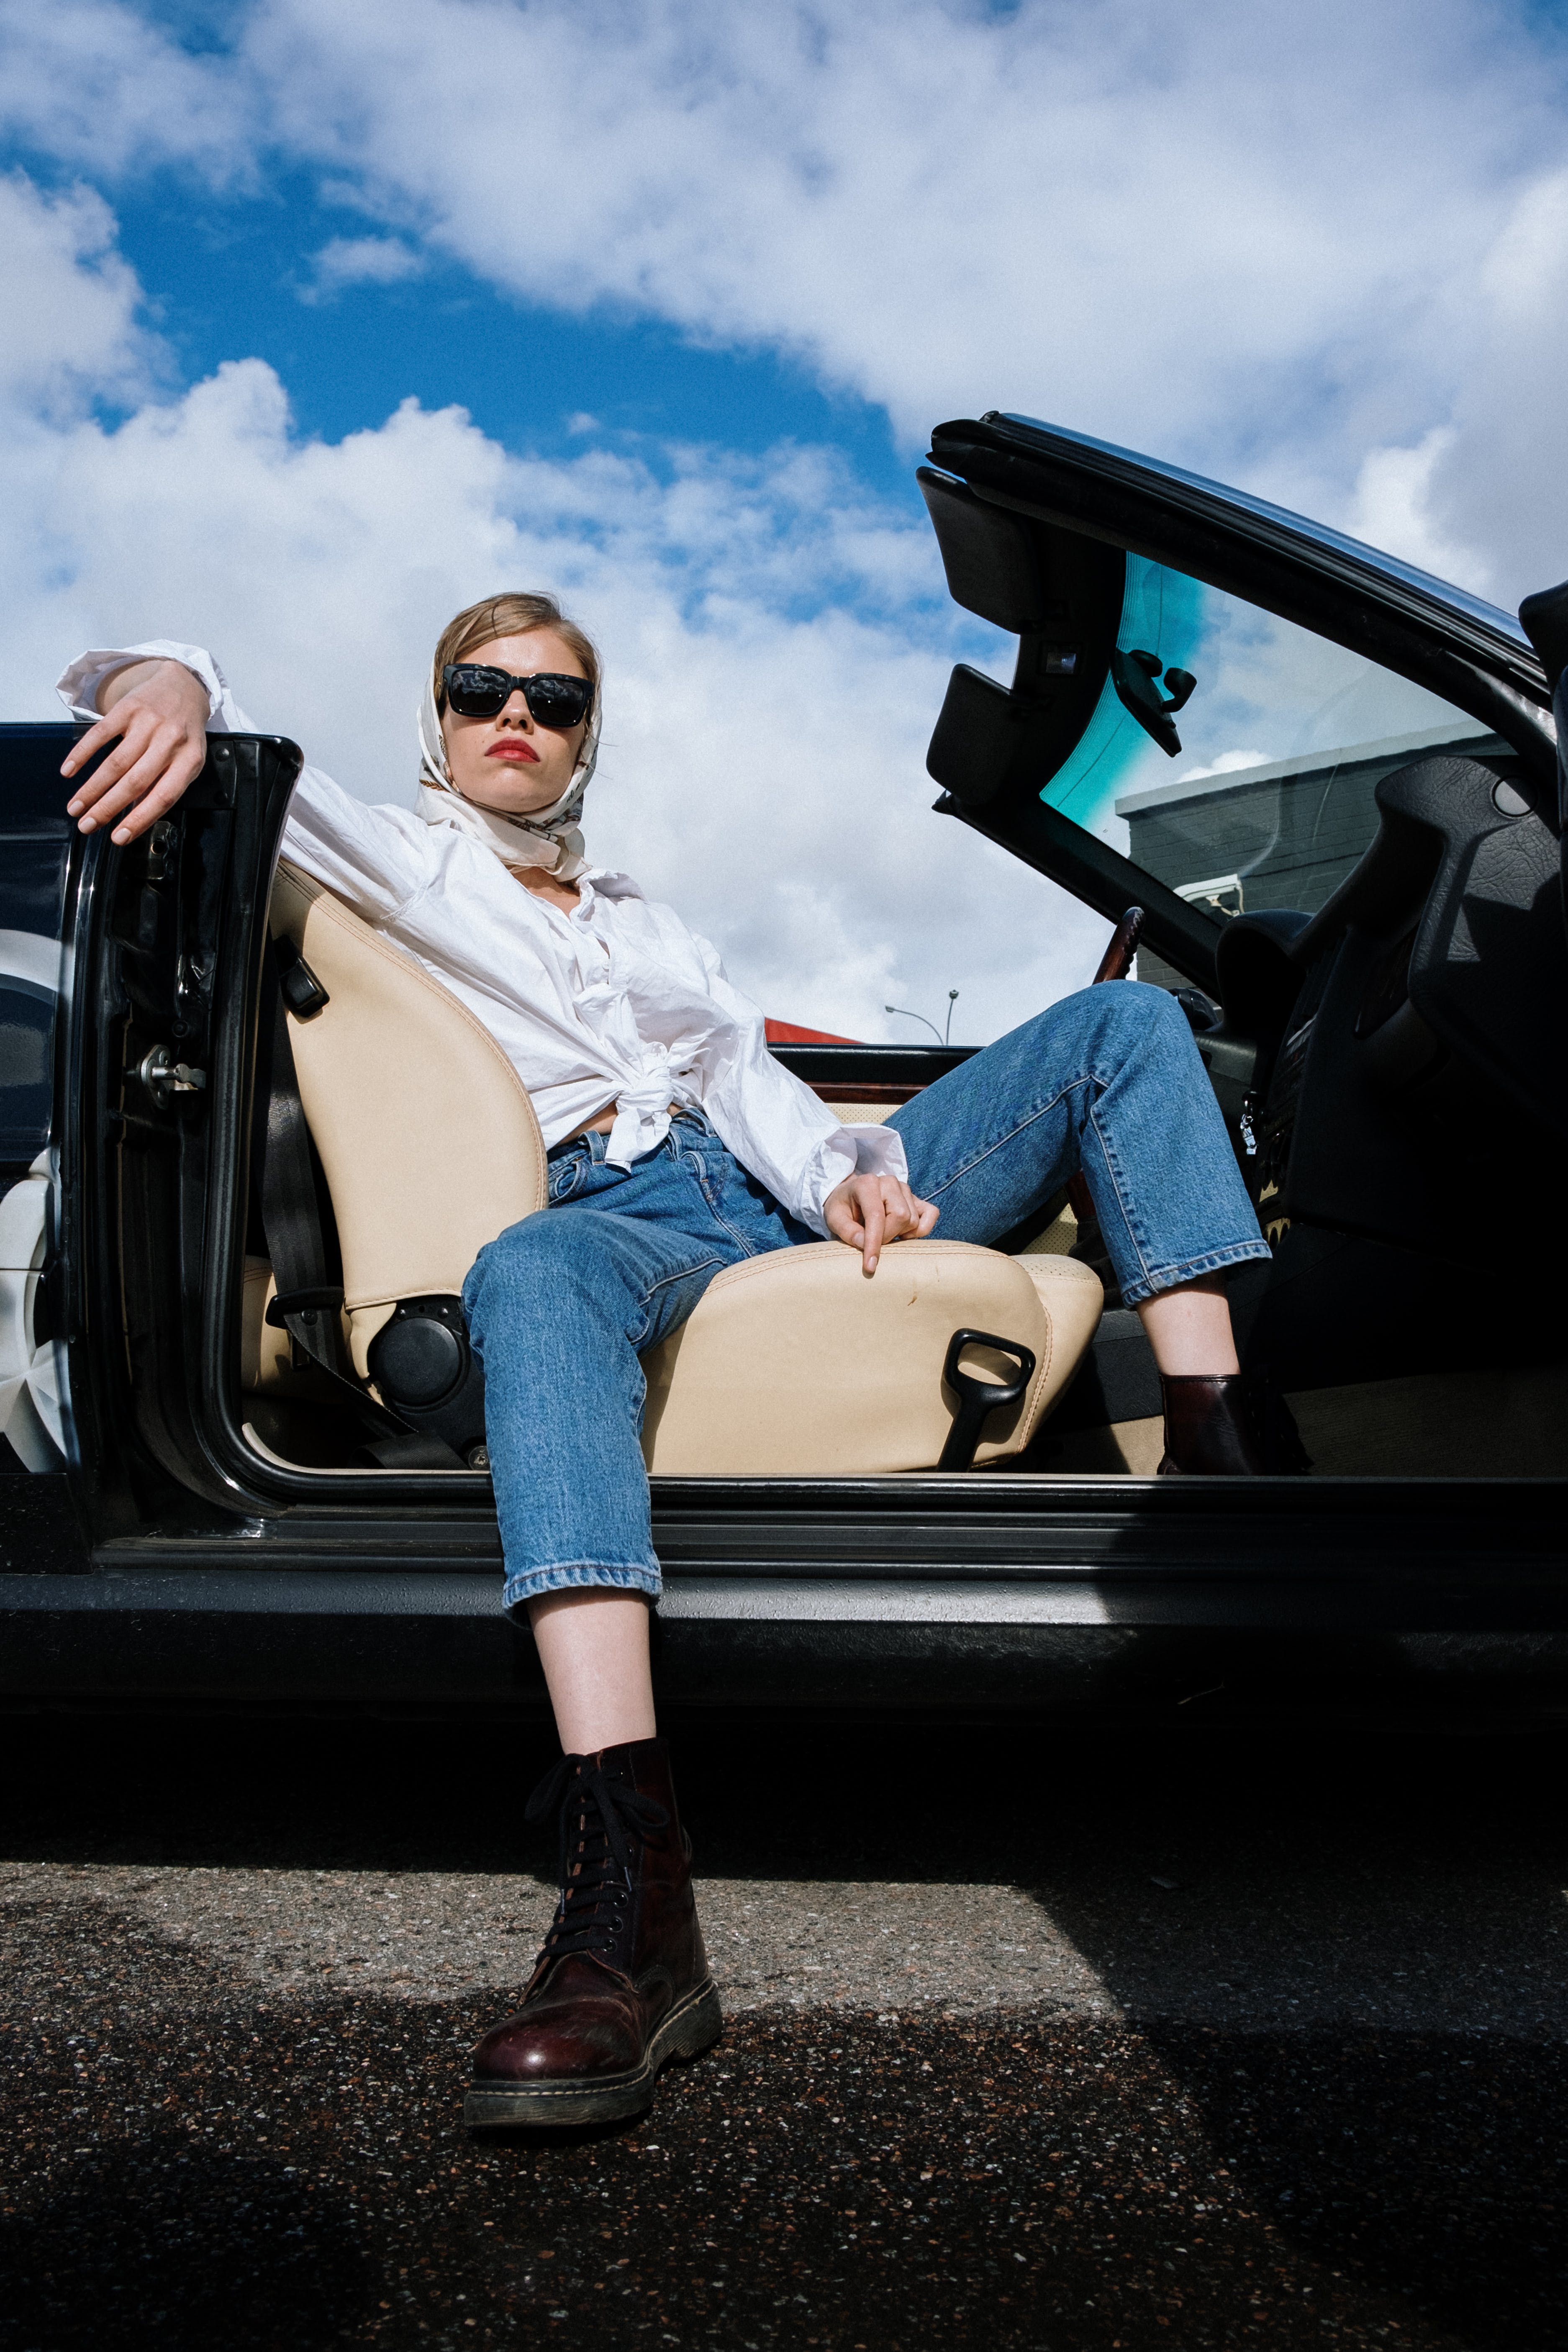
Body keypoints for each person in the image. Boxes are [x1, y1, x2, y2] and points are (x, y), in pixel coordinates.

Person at [58, 593, 1275, 2127]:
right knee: (530, 1268)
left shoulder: (645, 916)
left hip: (766, 1188)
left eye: (553, 699)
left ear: (587, 738)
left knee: (1121, 1027)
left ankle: (1222, 1478)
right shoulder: (400, 859)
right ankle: (631, 1884)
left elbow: (745, 1080)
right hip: (606, 1209)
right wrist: (167, 673)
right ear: (438, 715)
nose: (515, 715)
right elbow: (208, 726)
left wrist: (846, 1176)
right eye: (480, 688)